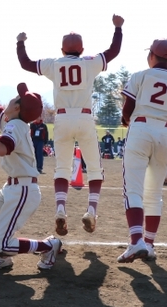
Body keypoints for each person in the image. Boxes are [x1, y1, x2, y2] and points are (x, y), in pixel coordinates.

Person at [16, 14, 125, 236]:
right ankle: (91, 211)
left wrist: (20, 42)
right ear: (82, 49)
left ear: (62, 49)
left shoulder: (55, 64)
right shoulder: (90, 62)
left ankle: (60, 210)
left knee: (62, 169)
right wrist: (118, 29)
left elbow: (25, 63)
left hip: (63, 118)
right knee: (95, 169)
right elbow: (113, 52)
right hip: (84, 118)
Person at [0, 68, 61, 270]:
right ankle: (0, 255)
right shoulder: (15, 123)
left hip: (23, 190)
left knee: (1, 243)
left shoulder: (15, 126)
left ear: (17, 108)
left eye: (16, 98)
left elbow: (1, 149)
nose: (12, 99)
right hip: (13, 188)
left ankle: (48, 245)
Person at [118, 38, 167, 263]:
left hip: (141, 128)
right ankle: (149, 244)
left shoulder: (140, 75)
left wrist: (128, 119)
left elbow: (127, 109)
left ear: (152, 54)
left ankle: (135, 241)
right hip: (165, 133)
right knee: (154, 193)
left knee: (133, 190)